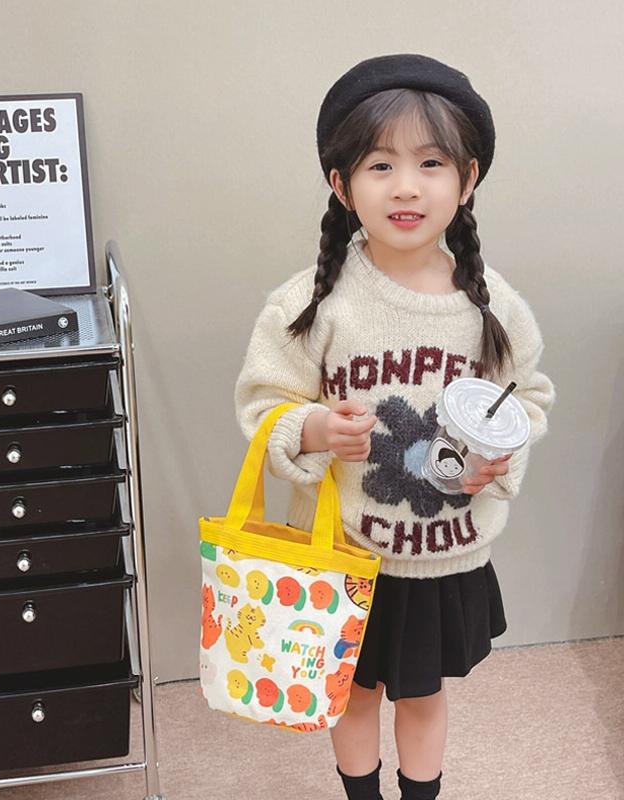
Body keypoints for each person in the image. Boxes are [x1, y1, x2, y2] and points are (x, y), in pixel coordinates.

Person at [233, 54, 556, 800]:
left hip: (445, 558)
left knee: (423, 694)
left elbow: (528, 398)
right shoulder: (311, 304)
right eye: (380, 165)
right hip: (346, 555)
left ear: (467, 179)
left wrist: (497, 460)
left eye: (431, 163)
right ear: (342, 184)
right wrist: (315, 427)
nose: (406, 186)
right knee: (352, 693)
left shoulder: (494, 308)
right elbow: (264, 404)